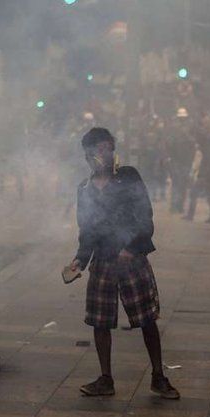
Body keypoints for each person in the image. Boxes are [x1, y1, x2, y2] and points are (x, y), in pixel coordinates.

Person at [68, 127, 179, 399]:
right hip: (103, 262)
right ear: (88, 155)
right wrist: (79, 261)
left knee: (146, 319)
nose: (105, 154)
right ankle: (105, 379)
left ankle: (158, 376)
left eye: (109, 148)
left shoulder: (128, 176)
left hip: (132, 261)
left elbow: (145, 216)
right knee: (100, 322)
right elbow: (87, 230)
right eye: (99, 150)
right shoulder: (84, 189)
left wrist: (133, 247)